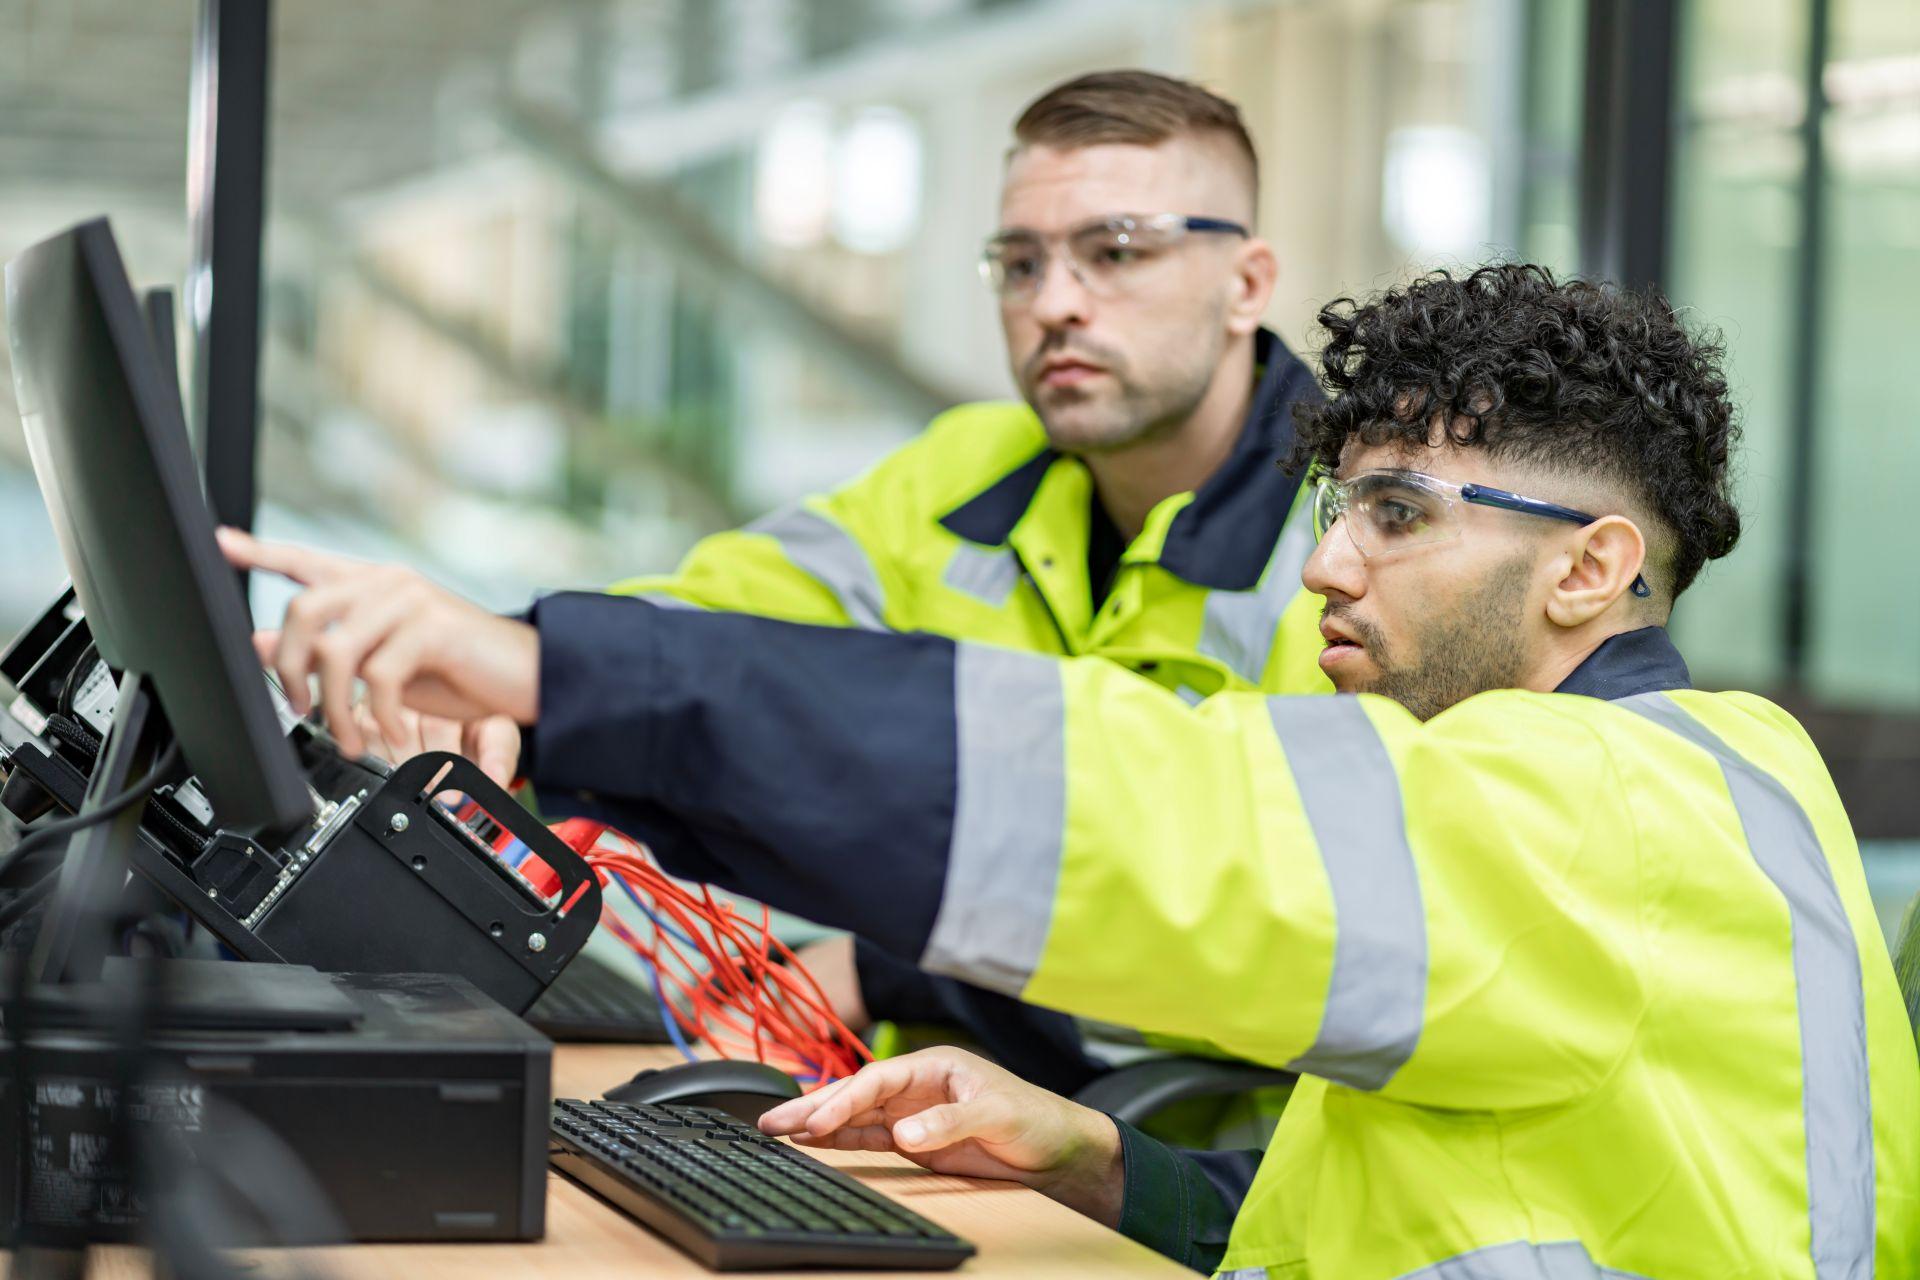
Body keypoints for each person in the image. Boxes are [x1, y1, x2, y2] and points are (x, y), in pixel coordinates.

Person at [219, 264, 1920, 1277]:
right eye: (1341, 511)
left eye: (1398, 516)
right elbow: (1416, 1223)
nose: (1330, 569)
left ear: (1588, 568)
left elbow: (1153, 806)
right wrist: (1088, 1160)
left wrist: (569, 674)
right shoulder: (1622, 800)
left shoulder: (1612, 820)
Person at [362, 69, 1331, 1097]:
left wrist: (890, 971)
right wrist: (508, 672)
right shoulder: (978, 463)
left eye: (1117, 252)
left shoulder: (1355, 550)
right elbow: (735, 612)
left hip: (1192, 1186)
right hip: (936, 1122)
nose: (1053, 303)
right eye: (1020, 261)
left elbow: (1299, 929)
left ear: (1248, 283)